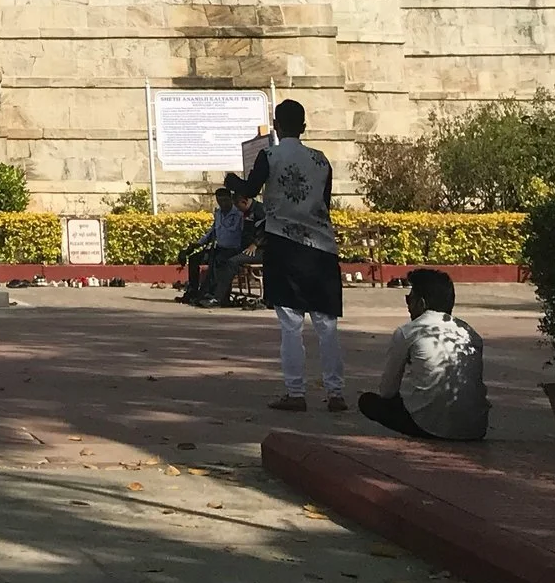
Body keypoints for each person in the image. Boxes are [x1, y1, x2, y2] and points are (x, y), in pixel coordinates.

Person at [245, 99, 344, 413]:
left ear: (276, 125)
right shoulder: (321, 160)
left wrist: (233, 183)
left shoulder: (269, 156)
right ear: (304, 126)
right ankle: (336, 393)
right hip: (323, 249)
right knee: (327, 326)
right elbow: (324, 203)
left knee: (291, 325)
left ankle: (296, 392)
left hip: (285, 247)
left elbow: (249, 190)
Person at [361, 269, 490, 442]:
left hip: (429, 428)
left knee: (368, 402)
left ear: (421, 303)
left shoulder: (408, 332)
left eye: (409, 299)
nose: (408, 305)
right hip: (475, 428)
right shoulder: (470, 333)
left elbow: (387, 391)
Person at [181, 174, 249, 306]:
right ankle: (194, 291)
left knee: (218, 262)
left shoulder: (239, 214)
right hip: (219, 248)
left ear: (230, 199)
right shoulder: (218, 213)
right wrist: (198, 244)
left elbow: (244, 234)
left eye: (225, 200)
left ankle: (216, 295)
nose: (222, 204)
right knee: (195, 258)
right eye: (219, 201)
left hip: (233, 249)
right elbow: (212, 232)